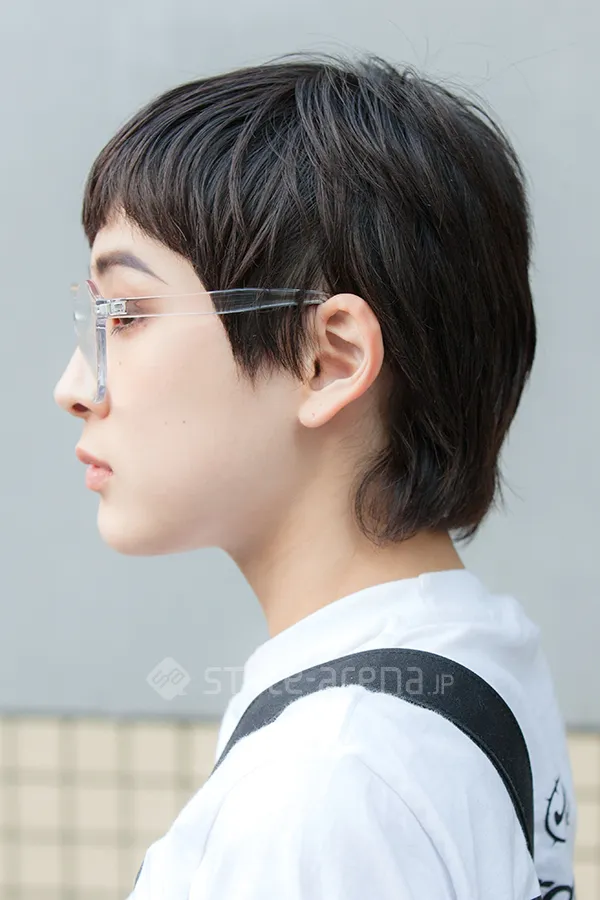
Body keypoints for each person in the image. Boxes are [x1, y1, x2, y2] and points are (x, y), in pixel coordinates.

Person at [54, 53, 576, 899]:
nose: (75, 387)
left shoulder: (325, 782)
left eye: (128, 313)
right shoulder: (467, 647)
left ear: (328, 359)